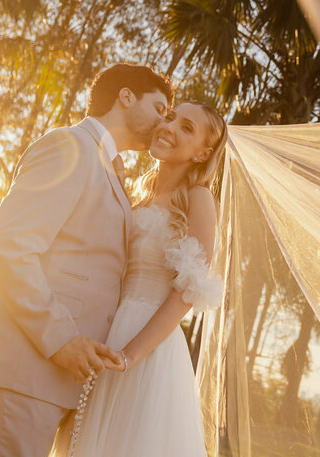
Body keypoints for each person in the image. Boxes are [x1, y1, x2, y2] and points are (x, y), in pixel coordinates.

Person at [0, 63, 174, 457]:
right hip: (20, 365)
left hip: (40, 377)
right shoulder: (70, 146)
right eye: (159, 108)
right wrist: (62, 339)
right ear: (125, 96)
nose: (163, 122)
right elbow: (10, 245)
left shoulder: (107, 165)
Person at [50, 100, 227, 457]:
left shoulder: (199, 199)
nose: (169, 127)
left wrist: (129, 356)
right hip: (103, 333)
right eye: (171, 117)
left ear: (203, 153)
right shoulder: (139, 195)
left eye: (186, 128)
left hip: (148, 348)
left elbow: (187, 292)